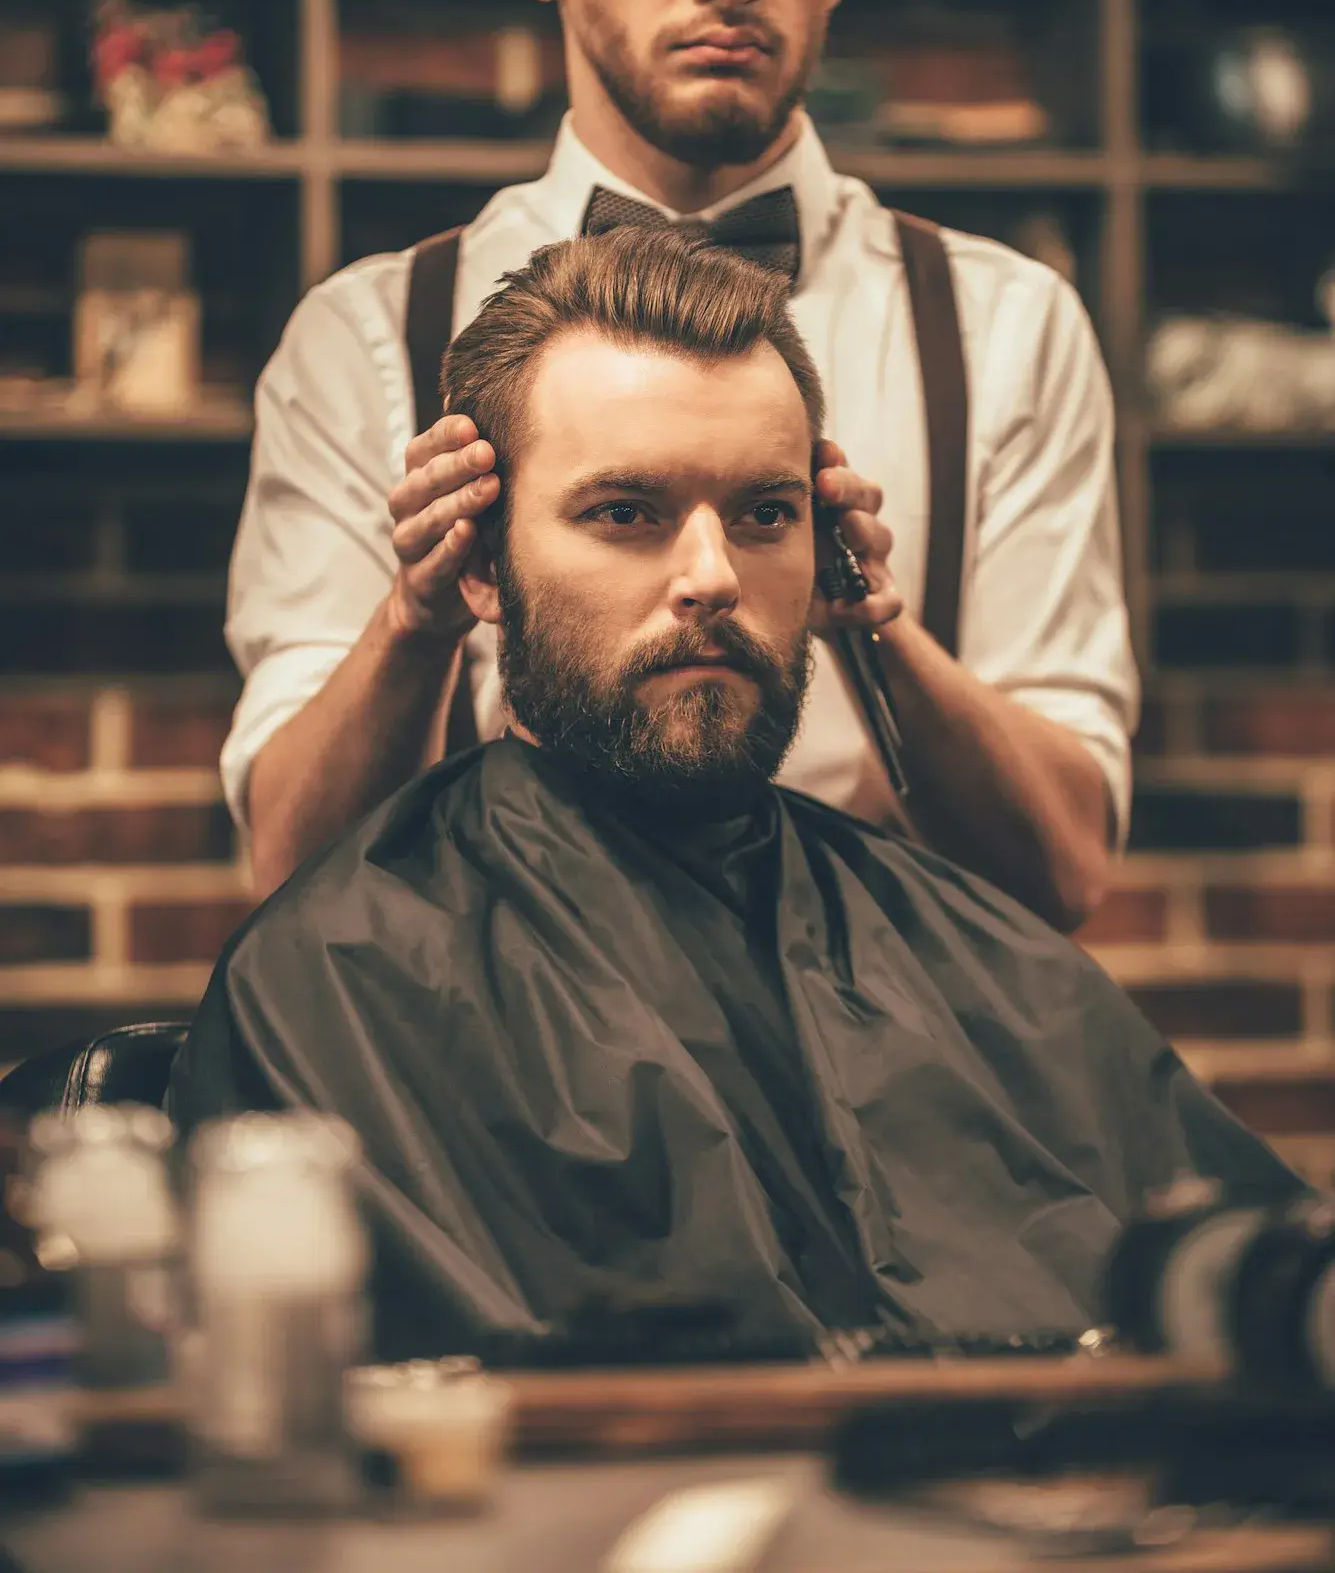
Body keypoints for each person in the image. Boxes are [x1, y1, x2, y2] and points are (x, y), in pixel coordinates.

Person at [171, 232, 1288, 1366]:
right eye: (625, 511)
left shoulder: (976, 956)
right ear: (479, 566)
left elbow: (1260, 1295)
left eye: (763, 514)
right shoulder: (352, 971)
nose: (712, 574)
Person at [223, 0, 1137, 929]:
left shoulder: (1002, 331)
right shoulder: (369, 338)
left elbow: (1058, 879)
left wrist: (869, 625)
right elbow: (286, 873)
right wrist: (416, 619)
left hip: (887, 1093)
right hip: (481, 1087)